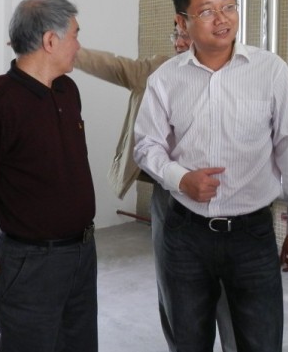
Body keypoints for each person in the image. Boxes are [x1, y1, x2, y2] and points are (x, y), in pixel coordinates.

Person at [134, 0, 288, 352]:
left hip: (252, 234)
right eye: (207, 11)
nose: (222, 19)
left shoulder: (270, 71)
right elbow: (146, 145)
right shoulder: (165, 79)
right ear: (182, 21)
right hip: (185, 233)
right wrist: (180, 178)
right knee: (188, 341)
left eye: (228, 6)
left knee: (261, 342)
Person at [73, 25, 237, 352]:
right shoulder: (158, 70)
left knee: (232, 293)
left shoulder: (241, 75)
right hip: (171, 196)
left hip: (225, 196)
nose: (179, 42)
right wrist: (69, 52)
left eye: (188, 35)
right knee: (176, 290)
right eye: (176, 34)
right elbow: (116, 66)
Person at [0, 0, 98, 352]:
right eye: (75, 35)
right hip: (31, 262)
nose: (79, 45)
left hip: (81, 251)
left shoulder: (67, 89)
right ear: (50, 40)